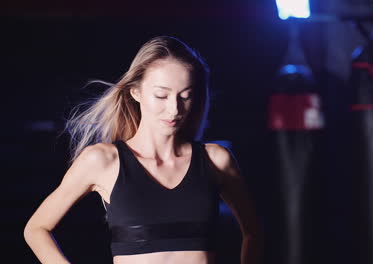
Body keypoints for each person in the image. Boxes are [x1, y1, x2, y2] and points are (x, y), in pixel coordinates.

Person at [24, 36, 263, 264]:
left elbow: (254, 233)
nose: (174, 109)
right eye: (161, 95)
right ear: (135, 92)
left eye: (186, 96)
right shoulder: (102, 160)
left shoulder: (216, 159)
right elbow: (36, 229)